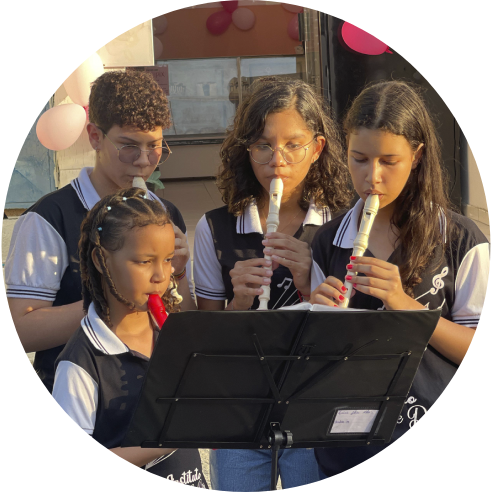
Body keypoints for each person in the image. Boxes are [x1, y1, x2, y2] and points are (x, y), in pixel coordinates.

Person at [5, 70, 195, 488]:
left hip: (164, 401)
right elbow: (18, 332)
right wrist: (111, 298)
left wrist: (177, 275)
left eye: (155, 147)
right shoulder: (48, 218)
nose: (144, 162)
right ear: (94, 136)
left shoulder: (165, 214)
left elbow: (184, 321)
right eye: (128, 147)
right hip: (89, 408)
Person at [309, 80, 490, 478]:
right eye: (359, 158)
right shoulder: (327, 242)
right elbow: (314, 367)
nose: (372, 177)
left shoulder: (462, 239)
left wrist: (404, 305)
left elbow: (484, 352)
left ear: (418, 156)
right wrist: (314, 320)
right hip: (349, 449)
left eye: (389, 161)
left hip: (439, 443)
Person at [193, 76, 353, 491]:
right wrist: (240, 304)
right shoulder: (214, 228)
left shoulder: (344, 225)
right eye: (262, 145)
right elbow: (207, 342)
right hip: (240, 412)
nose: (276, 160)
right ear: (246, 150)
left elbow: (355, 334)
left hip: (315, 410)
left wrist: (307, 283)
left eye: (292, 145)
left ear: (317, 148)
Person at [51, 187, 207, 491]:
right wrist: (168, 440)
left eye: (167, 260)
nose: (161, 276)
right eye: (144, 261)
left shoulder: (176, 336)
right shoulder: (81, 364)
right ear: (100, 260)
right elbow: (70, 468)